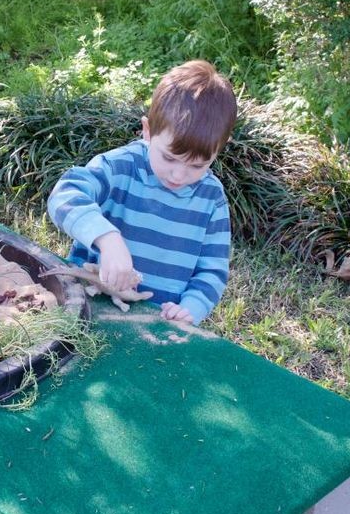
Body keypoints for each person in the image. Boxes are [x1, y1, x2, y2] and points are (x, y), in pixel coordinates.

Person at [47, 60, 237, 325]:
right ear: (148, 131)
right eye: (169, 158)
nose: (178, 175)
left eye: (197, 165)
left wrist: (191, 309)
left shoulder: (211, 198)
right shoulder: (120, 167)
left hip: (157, 324)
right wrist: (107, 239)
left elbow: (212, 270)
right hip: (87, 305)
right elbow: (64, 195)